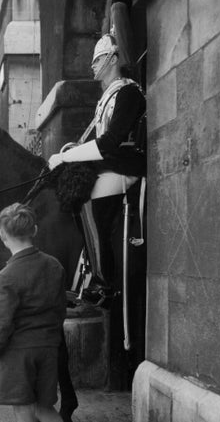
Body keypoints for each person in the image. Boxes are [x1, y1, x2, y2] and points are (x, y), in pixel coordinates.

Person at [48, 33, 146, 301]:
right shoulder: (109, 95)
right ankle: (89, 267)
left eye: (98, 59)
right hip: (111, 163)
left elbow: (111, 141)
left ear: (113, 59)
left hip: (125, 165)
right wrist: (70, 151)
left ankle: (104, 282)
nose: (92, 65)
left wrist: (68, 158)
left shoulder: (128, 92)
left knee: (87, 199)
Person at [0, 203, 66, 422]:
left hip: (17, 352)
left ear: (2, 235)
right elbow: (60, 310)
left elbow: (0, 322)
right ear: (35, 230)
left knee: (23, 411)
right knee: (45, 408)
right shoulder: (54, 265)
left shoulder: (6, 275)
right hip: (48, 346)